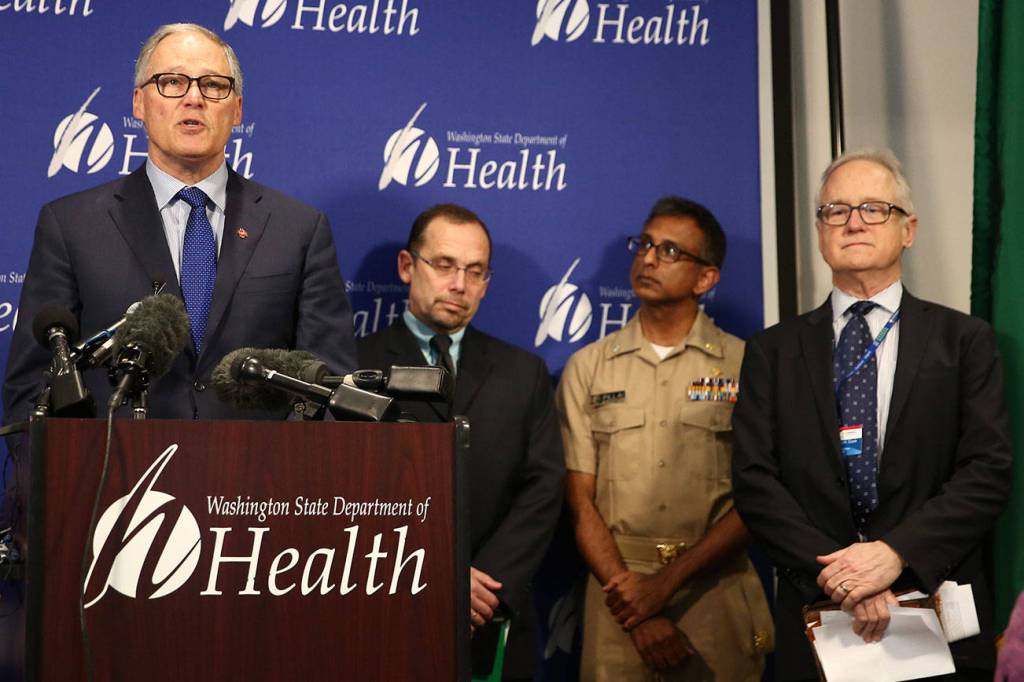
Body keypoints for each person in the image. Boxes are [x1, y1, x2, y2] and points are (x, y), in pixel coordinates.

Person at [731, 149, 1013, 680]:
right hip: (817, 615)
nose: (853, 222)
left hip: (936, 608)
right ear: (821, 232)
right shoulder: (772, 351)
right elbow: (754, 480)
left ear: (908, 230)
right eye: (835, 210)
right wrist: (843, 576)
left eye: (873, 209)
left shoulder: (964, 341)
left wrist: (895, 555)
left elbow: (987, 471)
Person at [2, 23, 355, 424]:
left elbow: (330, 386)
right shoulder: (71, 225)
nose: (194, 98)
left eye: (213, 85)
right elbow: (33, 388)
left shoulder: (299, 230)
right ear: (139, 103)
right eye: (172, 82)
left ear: (237, 109)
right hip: (117, 462)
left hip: (256, 464)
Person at [556, 196, 773, 681]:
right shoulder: (587, 368)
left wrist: (664, 585)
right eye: (646, 245)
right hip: (618, 599)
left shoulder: (747, 365)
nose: (649, 259)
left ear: (705, 278)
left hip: (713, 589)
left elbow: (759, 498)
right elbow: (579, 502)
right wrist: (639, 608)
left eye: (670, 251)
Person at [357, 203, 565, 680]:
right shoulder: (353, 366)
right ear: (407, 266)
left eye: (475, 271)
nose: (459, 284)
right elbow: (343, 496)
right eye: (444, 265)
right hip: (383, 606)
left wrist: (484, 585)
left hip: (490, 614)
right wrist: (437, 574)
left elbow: (543, 490)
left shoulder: (524, 374)